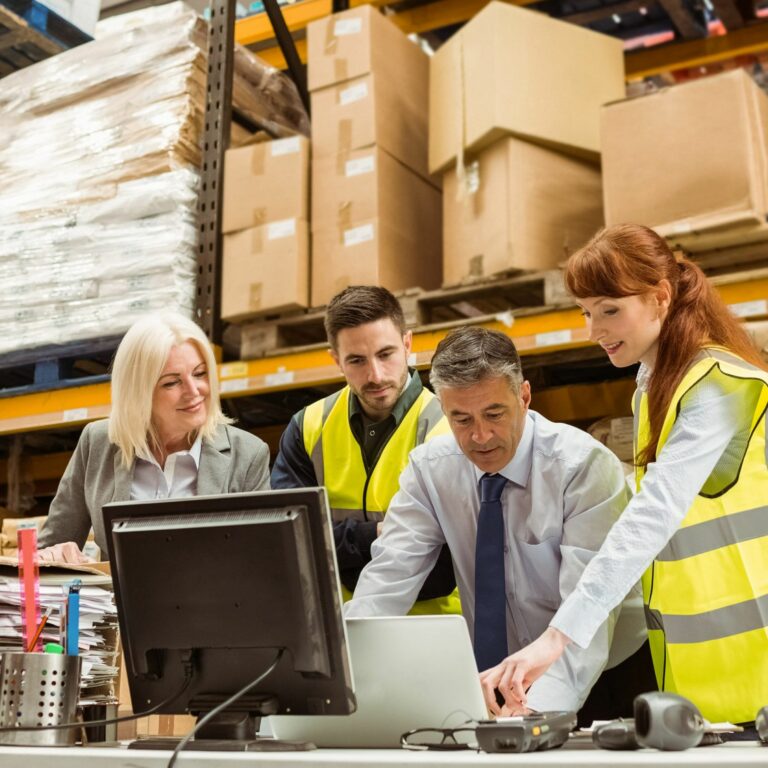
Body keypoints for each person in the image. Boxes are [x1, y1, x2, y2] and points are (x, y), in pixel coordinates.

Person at [489, 223, 768, 728]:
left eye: (610, 310)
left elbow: (652, 516)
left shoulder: (716, 387)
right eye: (587, 313)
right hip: (713, 684)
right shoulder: (658, 387)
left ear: (661, 297)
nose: (594, 329)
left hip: (757, 671)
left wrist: (558, 637)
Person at [345, 326, 653, 720]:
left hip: (601, 674)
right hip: (492, 679)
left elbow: (587, 615)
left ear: (524, 396)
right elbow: (387, 579)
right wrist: (336, 676)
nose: (480, 435)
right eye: (460, 419)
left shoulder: (582, 467)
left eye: (494, 413)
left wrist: (534, 713)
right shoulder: (431, 470)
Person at [271, 285, 460, 614]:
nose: (375, 375)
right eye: (356, 360)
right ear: (335, 360)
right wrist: (374, 534)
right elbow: (289, 540)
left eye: (386, 354)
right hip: (342, 630)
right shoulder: (308, 428)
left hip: (435, 629)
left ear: (407, 344)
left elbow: (444, 558)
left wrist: (338, 543)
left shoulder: (451, 427)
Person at [37, 311, 271, 563]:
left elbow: (262, 561)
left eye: (200, 373)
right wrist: (53, 556)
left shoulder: (247, 454)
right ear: (138, 393)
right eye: (172, 383)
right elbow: (48, 550)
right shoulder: (97, 442)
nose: (194, 391)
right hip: (118, 603)